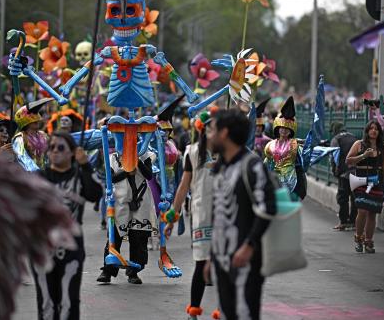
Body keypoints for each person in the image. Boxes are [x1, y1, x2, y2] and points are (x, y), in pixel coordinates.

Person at [205, 109, 277, 320]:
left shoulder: (252, 166)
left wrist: (249, 245)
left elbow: (268, 208)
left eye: (212, 130)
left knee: (245, 314)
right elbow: (217, 215)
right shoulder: (220, 168)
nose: (209, 136)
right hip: (221, 259)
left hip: (245, 260)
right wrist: (211, 257)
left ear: (224, 133)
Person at [32, 132, 103, 320]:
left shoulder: (80, 176)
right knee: (46, 302)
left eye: (61, 147)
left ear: (72, 153)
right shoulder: (39, 177)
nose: (55, 151)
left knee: (69, 302)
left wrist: (85, 165)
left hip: (71, 248)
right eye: (52, 147)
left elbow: (95, 194)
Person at [164, 110, 215, 320]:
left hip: (226, 215)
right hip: (202, 215)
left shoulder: (230, 152)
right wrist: (172, 217)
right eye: (211, 128)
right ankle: (194, 310)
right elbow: (183, 187)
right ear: (203, 131)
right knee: (202, 263)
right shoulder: (192, 153)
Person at [96, 152, 157, 285]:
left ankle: (133, 271)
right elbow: (110, 178)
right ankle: (108, 270)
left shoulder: (145, 155)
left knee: (138, 236)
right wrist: (126, 171)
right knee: (114, 235)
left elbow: (148, 175)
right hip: (120, 200)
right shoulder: (113, 157)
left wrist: (137, 161)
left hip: (141, 200)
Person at [346, 120, 384, 254]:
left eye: (376, 129)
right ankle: (359, 238)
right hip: (360, 181)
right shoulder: (359, 144)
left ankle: (369, 241)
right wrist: (364, 155)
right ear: (367, 131)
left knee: (372, 213)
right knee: (362, 211)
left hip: (376, 182)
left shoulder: (381, 148)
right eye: (371, 128)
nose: (374, 131)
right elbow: (348, 160)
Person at [263, 96, 306, 199]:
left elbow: (305, 156)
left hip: (291, 182)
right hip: (274, 181)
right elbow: (266, 163)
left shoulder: (295, 145)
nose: (284, 131)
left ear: (291, 131)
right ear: (277, 128)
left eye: (287, 129)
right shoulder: (270, 145)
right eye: (282, 128)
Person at [329, 122, 358, 231]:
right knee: (355, 198)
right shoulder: (354, 137)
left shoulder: (336, 139)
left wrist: (335, 170)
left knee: (343, 198)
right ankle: (354, 221)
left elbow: (334, 157)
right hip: (357, 172)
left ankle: (343, 222)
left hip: (344, 173)